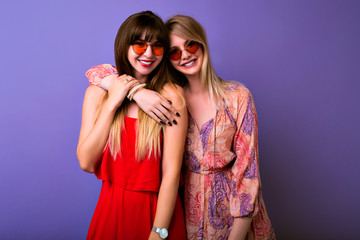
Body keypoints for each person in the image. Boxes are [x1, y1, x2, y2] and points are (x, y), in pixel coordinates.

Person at [85, 15, 275, 240]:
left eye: (191, 44)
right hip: (189, 216)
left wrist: (237, 234)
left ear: (202, 44)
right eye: (174, 51)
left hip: (233, 218)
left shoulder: (237, 97)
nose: (185, 54)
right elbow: (96, 72)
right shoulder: (166, 97)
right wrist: (137, 92)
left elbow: (248, 174)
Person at [77, 11, 188, 240]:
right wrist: (115, 102)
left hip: (157, 213)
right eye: (139, 45)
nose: (148, 53)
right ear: (124, 46)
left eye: (157, 46)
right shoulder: (97, 94)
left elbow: (171, 172)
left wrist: (158, 233)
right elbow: (86, 163)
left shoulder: (171, 98)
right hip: (111, 210)